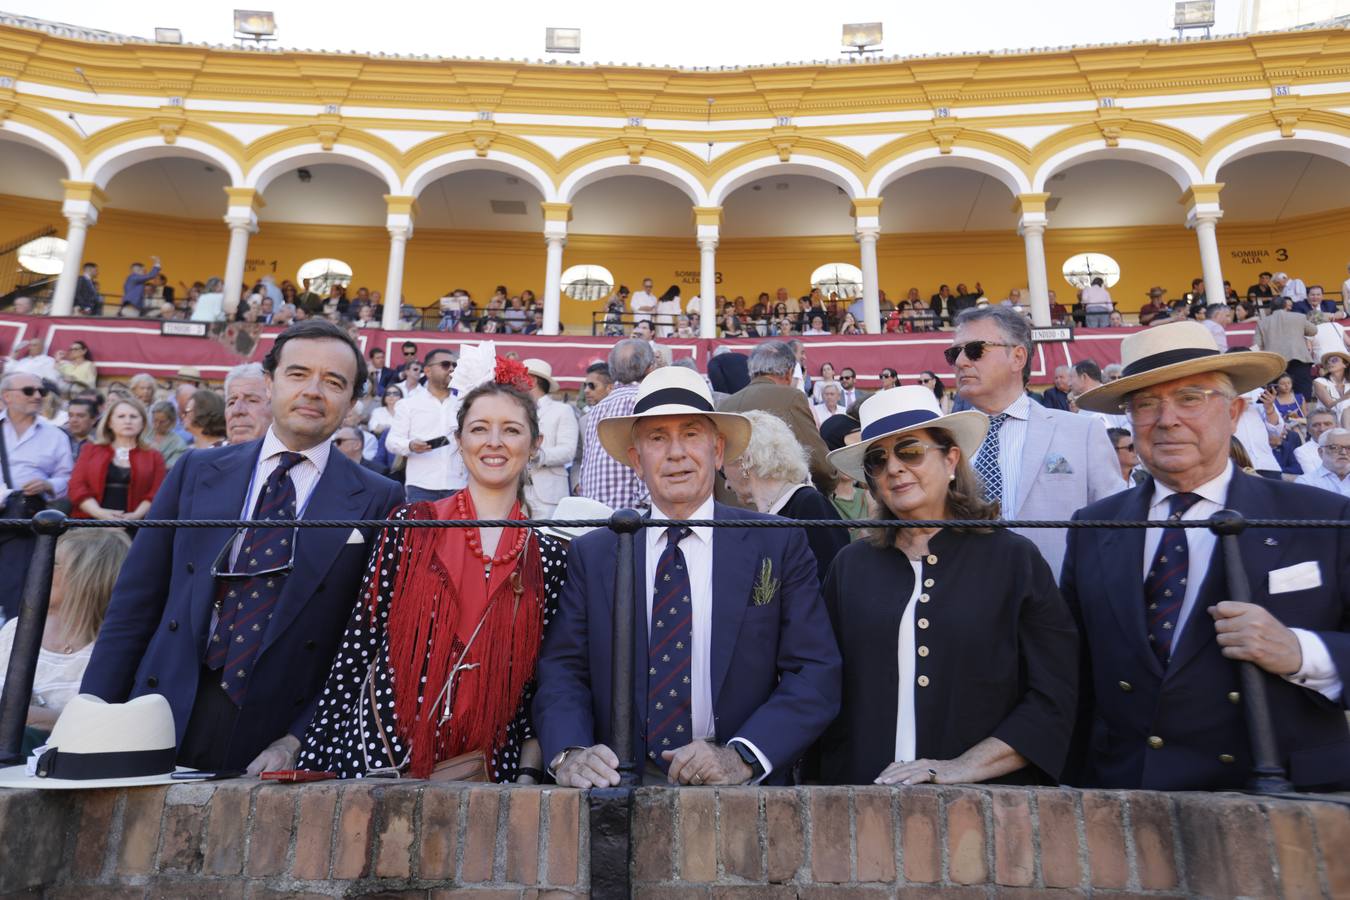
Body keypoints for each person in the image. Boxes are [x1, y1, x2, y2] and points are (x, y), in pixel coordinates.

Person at [81, 319, 406, 775]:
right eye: (298, 374)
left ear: (352, 403)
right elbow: (136, 601)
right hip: (159, 704)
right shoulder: (196, 469)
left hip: (274, 733)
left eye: (333, 382)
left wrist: (300, 737)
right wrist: (92, 707)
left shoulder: (380, 496)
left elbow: (366, 640)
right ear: (270, 383)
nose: (314, 390)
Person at [1065, 320, 1350, 790]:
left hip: (1282, 801)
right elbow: (1076, 678)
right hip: (1132, 799)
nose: (1167, 419)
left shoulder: (1323, 518)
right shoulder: (1094, 527)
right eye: (1146, 404)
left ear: (1234, 412)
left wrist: (1301, 652)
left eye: (1190, 398)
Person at [535, 366, 841, 787]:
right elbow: (563, 669)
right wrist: (570, 752)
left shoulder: (777, 544)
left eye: (691, 434)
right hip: (620, 786)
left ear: (718, 452)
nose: (676, 453)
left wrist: (743, 756)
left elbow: (814, 670)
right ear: (636, 460)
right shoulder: (596, 553)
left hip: (740, 788)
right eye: (658, 438)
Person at [299, 374, 566, 781]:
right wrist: (312, 750)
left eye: (511, 430)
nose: (494, 441)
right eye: (479, 429)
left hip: (490, 766)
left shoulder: (546, 556)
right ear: (460, 442)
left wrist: (530, 770)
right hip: (381, 756)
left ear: (535, 445)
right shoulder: (412, 526)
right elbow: (360, 641)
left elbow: (537, 681)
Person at [816, 386, 1077, 785]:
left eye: (910, 450)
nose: (894, 468)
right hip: (863, 808)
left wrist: (965, 767)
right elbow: (822, 684)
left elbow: (1054, 693)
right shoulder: (852, 566)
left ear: (951, 458)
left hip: (984, 811)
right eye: (877, 460)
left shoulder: (1013, 560)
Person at [949, 306, 1124, 574]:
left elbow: (1116, 525)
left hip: (1059, 600)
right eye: (954, 353)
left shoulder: (1082, 432)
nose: (961, 361)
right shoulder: (943, 441)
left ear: (1018, 357)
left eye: (975, 350)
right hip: (965, 600)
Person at [0, 529, 131, 754]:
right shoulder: (16, 629)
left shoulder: (114, 651)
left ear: (87, 577)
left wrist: (39, 718)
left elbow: (106, 729)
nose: (40, 566)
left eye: (55, 562)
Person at [723, 410, 848, 584]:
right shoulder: (767, 514)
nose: (726, 484)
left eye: (723, 468)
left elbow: (835, 582)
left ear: (744, 460)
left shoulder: (809, 504)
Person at [0, 372, 73, 620]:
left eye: (42, 391)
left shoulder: (56, 436)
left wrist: (48, 484)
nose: (38, 396)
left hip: (23, 520)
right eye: (29, 391)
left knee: (15, 591)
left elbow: (67, 479)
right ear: (6, 396)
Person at [718, 342, 834, 499]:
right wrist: (830, 487)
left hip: (730, 509)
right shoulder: (792, 398)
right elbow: (819, 464)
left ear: (751, 371)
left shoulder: (725, 404)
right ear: (789, 373)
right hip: (777, 508)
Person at [577, 339, 656, 511]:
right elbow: (646, 458)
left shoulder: (598, 408)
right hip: (631, 516)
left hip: (593, 512)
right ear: (650, 368)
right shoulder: (644, 401)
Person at [385, 349, 465, 503]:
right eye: (445, 364)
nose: (451, 369)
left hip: (458, 484)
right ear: (427, 371)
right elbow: (392, 440)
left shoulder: (463, 405)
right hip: (421, 486)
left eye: (454, 365)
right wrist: (410, 445)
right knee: (420, 529)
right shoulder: (408, 404)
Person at [68, 397, 165, 523]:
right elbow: (76, 487)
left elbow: (158, 492)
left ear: (143, 422)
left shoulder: (154, 456)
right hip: (90, 523)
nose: (128, 421)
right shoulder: (90, 451)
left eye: (134, 416)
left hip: (137, 525)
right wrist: (100, 514)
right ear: (109, 422)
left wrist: (135, 516)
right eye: (121, 416)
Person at [522, 359, 578, 519]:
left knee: (546, 542)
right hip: (517, 492)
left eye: (520, 377)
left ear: (532, 380)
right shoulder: (515, 410)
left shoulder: (562, 410)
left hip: (548, 495)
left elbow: (568, 451)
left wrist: (537, 455)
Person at [1254, 300, 1318, 400]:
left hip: (1275, 361)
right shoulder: (1299, 317)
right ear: (1286, 306)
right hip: (1298, 357)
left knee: (1275, 392)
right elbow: (1314, 330)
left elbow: (1257, 345)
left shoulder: (1262, 322)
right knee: (1302, 391)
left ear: (1271, 309)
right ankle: (1304, 413)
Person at [224, 362, 272, 445]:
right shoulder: (210, 456)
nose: (236, 411)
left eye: (252, 400)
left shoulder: (295, 456)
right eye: (231, 403)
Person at [1295, 428, 1350, 497]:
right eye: (1335, 447)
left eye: (1349, 448)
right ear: (1321, 452)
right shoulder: (1307, 482)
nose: (1343, 452)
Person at [1295, 407, 1338, 475]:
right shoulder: (1302, 451)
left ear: (1337, 427)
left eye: (1327, 424)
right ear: (1308, 429)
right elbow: (1314, 479)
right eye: (1316, 425)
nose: (1322, 429)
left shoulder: (1347, 446)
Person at [148, 400, 188, 469]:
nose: (157, 425)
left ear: (172, 421)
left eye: (162, 422)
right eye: (155, 420)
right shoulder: (143, 433)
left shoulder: (179, 444)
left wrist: (156, 454)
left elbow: (170, 469)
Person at [1314, 348, 1350, 418]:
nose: (1330, 363)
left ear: (1345, 365)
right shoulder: (1319, 382)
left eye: (1334, 360)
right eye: (1328, 361)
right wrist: (1346, 396)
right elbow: (1329, 405)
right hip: (1326, 418)